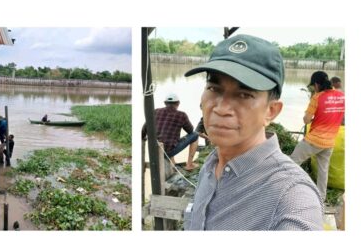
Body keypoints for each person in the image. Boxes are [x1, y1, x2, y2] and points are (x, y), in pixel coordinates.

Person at [183, 34, 323, 230]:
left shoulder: (293, 198)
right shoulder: (211, 165)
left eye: (244, 94)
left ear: (271, 111)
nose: (222, 108)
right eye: (214, 88)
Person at [291, 71, 345, 200]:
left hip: (314, 140)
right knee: (323, 171)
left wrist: (312, 116)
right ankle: (321, 198)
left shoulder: (317, 97)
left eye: (313, 86)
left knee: (291, 163)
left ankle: (286, 192)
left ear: (316, 84)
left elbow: (306, 119)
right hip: (330, 141)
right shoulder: (341, 96)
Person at [142, 93, 200, 170]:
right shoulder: (181, 115)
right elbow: (190, 131)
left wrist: (143, 137)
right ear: (178, 103)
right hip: (167, 151)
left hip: (154, 150)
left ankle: (173, 165)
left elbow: (144, 129)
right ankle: (189, 164)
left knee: (169, 138)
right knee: (195, 135)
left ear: (165, 103)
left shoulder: (155, 111)